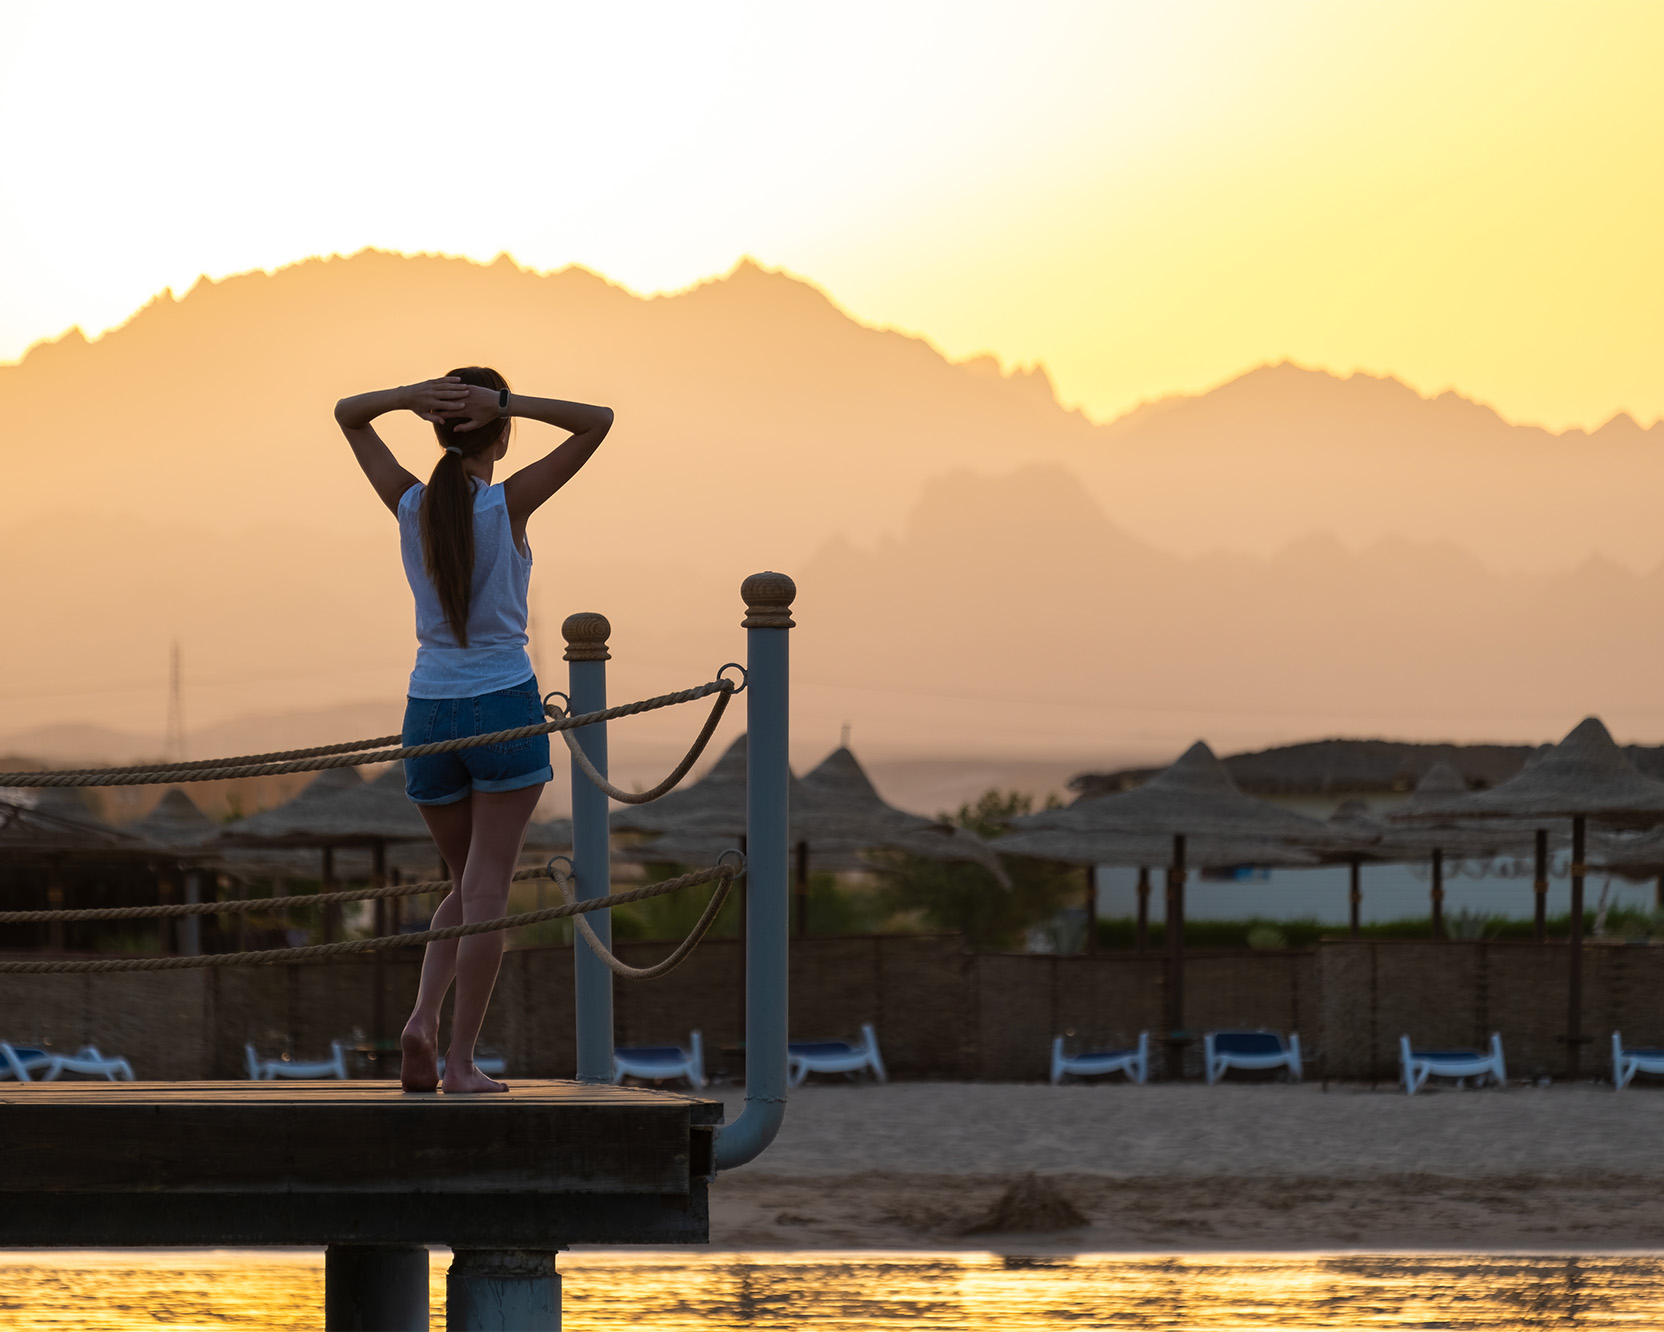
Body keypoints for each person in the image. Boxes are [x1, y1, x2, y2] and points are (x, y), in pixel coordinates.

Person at [335, 368, 613, 1092]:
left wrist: (401, 397)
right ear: (501, 432)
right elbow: (598, 420)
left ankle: (423, 1018)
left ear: (435, 426)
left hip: (427, 712)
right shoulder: (508, 504)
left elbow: (347, 415)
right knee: (487, 893)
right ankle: (459, 1061)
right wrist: (508, 402)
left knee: (462, 883)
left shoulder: (408, 503)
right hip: (501, 705)